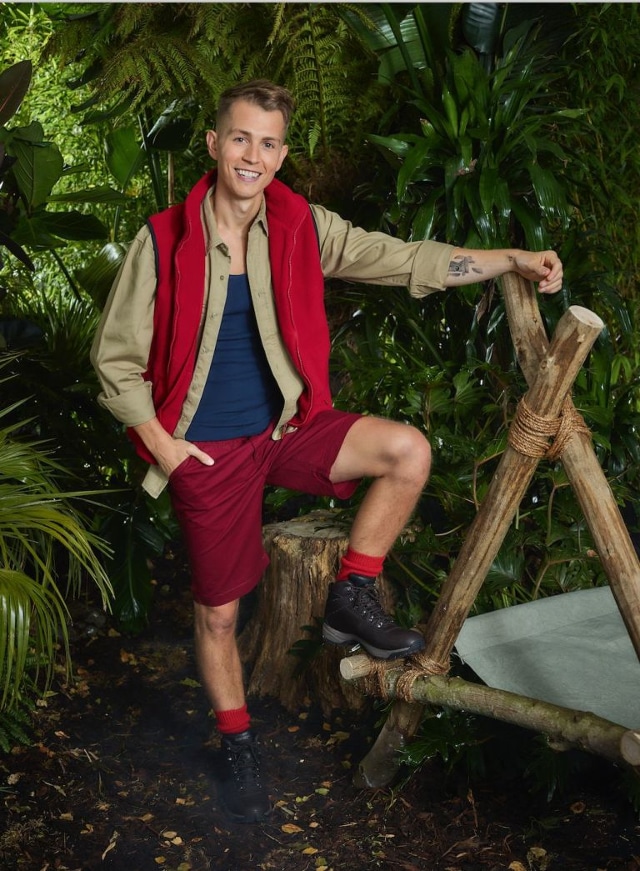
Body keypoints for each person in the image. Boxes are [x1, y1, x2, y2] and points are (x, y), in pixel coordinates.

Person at [90, 80, 563, 824]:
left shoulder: (299, 224)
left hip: (285, 426)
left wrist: (509, 258)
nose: (252, 155)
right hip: (206, 452)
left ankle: (350, 596)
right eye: (240, 138)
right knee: (219, 615)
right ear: (214, 145)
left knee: (406, 450)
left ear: (282, 155)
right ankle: (238, 743)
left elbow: (401, 257)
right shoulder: (163, 241)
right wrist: (165, 447)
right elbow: (114, 361)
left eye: (268, 143)